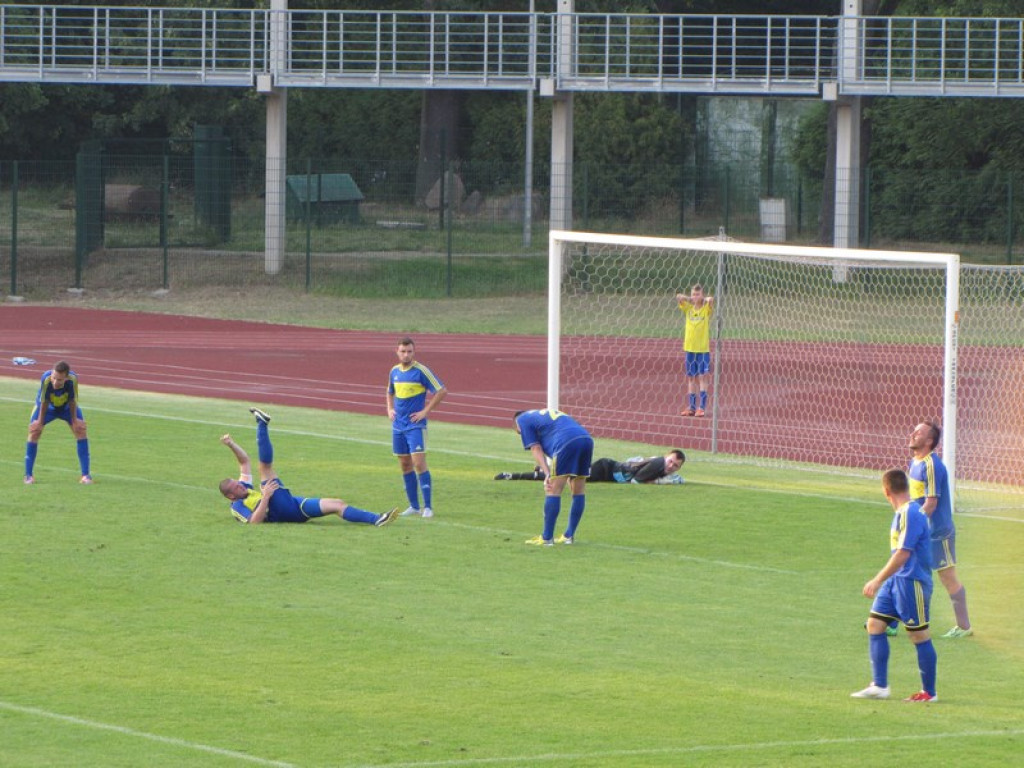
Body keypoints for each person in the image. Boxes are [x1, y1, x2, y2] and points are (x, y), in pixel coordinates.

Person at [219, 408, 399, 527]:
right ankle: (262, 424)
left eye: (239, 483)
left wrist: (231, 444)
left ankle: (377, 519)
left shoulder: (245, 490)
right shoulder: (237, 506)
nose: (241, 485)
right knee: (265, 468)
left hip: (292, 504)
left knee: (337, 504)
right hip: (277, 509)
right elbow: (253, 523)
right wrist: (266, 497)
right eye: (237, 487)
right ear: (231, 496)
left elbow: (244, 463)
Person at [851, 468, 938, 703]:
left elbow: (903, 554)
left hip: (912, 583)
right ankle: (880, 686)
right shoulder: (902, 513)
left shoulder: (911, 513)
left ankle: (929, 693)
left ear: (886, 491)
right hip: (896, 581)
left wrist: (877, 579)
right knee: (875, 624)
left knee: (919, 636)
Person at [908, 420, 973, 638]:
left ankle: (964, 627)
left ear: (928, 441)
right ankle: (894, 621)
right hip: (921, 530)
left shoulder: (932, 466)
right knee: (906, 571)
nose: (913, 433)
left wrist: (912, 524)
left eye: (919, 432)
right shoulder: (915, 462)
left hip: (937, 532)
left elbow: (931, 503)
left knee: (947, 578)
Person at [513, 408, 594, 546]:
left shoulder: (522, 420)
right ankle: (569, 536)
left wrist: (547, 473)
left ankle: (547, 538)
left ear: (516, 424)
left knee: (552, 490)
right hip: (586, 439)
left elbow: (535, 448)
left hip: (566, 443)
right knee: (578, 491)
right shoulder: (541, 417)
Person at [387, 336, 447, 519]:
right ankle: (413, 505)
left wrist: (425, 411)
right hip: (398, 426)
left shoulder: (421, 371)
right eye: (403, 351)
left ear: (414, 352)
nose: (406, 355)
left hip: (415, 426)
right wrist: (389, 409)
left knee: (419, 463)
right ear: (397, 352)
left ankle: (427, 507)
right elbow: (389, 392)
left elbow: (441, 390)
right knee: (405, 465)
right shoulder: (394, 371)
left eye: (409, 352)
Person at [24, 360, 92, 484]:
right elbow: (44, 401)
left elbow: (72, 400)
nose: (55, 382)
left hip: (66, 408)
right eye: (54, 378)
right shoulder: (46, 378)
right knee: (34, 433)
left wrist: (75, 420)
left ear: (66, 378)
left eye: (59, 380)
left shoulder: (73, 379)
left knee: (81, 431)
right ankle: (28, 475)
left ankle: (86, 475)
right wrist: (39, 421)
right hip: (47, 408)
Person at [495, 449, 685, 485]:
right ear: (666, 455)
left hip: (606, 470)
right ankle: (513, 475)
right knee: (564, 478)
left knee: (567, 476)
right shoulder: (658, 462)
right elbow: (636, 480)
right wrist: (663, 482)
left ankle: (541, 470)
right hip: (605, 469)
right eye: (671, 461)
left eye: (675, 467)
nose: (671, 466)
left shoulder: (658, 464)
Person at [675, 284, 715, 417]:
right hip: (690, 348)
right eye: (693, 294)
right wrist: (691, 298)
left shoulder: (705, 309)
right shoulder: (688, 308)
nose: (695, 296)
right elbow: (678, 297)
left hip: (703, 349)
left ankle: (701, 407)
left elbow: (711, 300)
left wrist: (704, 299)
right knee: (691, 377)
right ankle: (691, 407)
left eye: (698, 294)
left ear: (702, 295)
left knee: (703, 377)